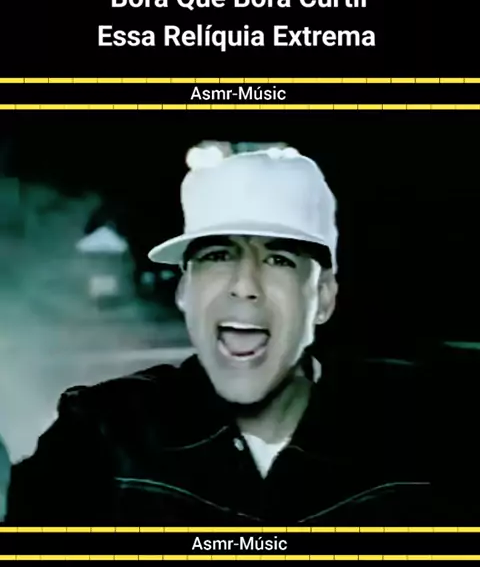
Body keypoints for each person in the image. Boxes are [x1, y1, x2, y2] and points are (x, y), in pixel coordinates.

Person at [4, 144, 476, 525]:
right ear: (185, 290)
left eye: (278, 260)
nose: (244, 285)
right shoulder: (99, 436)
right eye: (218, 256)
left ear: (323, 298)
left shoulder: (425, 437)